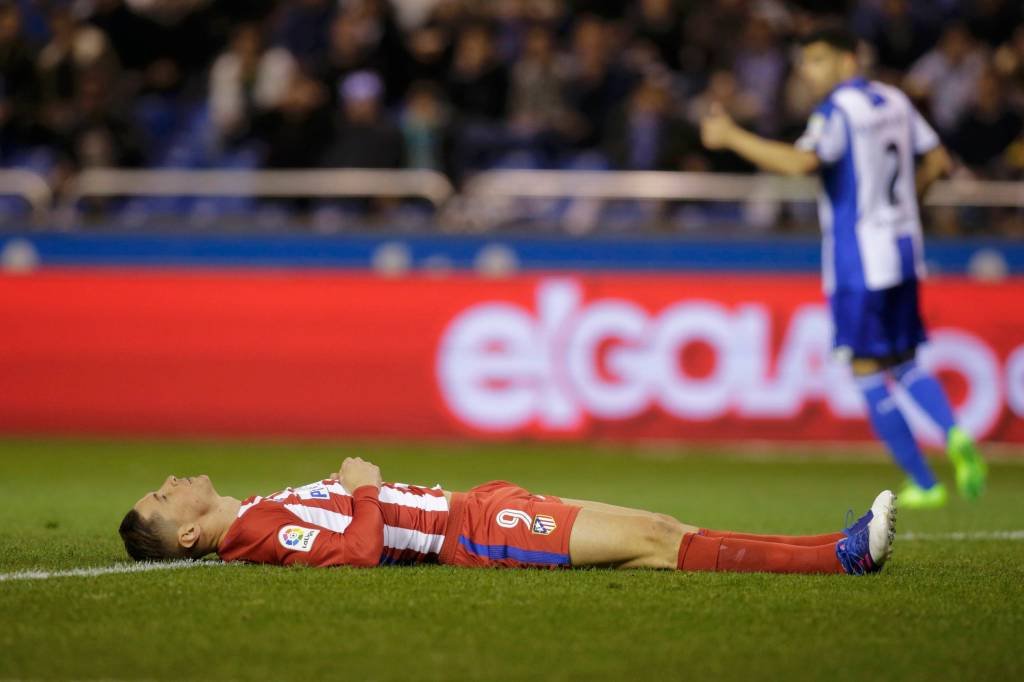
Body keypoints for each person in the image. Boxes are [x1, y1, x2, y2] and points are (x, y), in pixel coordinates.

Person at [700, 26, 987, 509]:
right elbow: (938, 160)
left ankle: (926, 481)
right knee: (905, 361)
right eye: (805, 62)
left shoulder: (835, 112)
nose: (808, 71)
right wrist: (903, 208)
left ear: (848, 61)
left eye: (817, 60)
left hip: (859, 260)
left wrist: (731, 136)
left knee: (867, 370)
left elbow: (800, 164)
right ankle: (955, 433)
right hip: (903, 251)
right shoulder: (895, 100)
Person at [119, 456, 896, 576]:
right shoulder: (252, 534)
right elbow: (357, 553)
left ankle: (833, 544)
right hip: (474, 533)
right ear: (187, 534)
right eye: (161, 497)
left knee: (661, 524)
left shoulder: (254, 507)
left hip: (478, 505)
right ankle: (843, 557)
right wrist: (363, 483)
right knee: (658, 541)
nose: (168, 480)